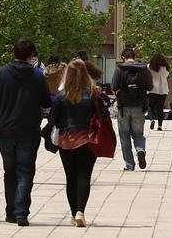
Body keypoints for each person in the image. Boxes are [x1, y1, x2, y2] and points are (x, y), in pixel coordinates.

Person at [0, 39, 51, 226]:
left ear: (14, 53)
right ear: (31, 56)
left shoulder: (0, 74)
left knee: (9, 170)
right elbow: (46, 102)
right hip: (29, 130)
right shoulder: (37, 76)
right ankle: (22, 212)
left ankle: (10, 211)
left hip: (5, 130)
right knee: (26, 171)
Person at [49, 59, 108, 227]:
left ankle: (74, 213)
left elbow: (53, 119)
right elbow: (103, 115)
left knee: (71, 178)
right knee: (84, 176)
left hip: (66, 141)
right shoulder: (93, 94)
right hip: (87, 140)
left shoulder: (61, 96)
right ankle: (81, 211)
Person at [111, 48, 153, 171]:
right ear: (134, 57)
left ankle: (129, 164)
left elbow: (113, 86)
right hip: (139, 107)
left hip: (123, 107)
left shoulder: (119, 69)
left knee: (124, 136)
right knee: (138, 134)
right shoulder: (143, 69)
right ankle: (140, 150)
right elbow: (150, 86)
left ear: (123, 57)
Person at [147, 53, 170, 131]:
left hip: (153, 89)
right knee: (160, 108)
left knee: (150, 106)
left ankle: (152, 119)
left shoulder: (149, 67)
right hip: (163, 90)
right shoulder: (166, 68)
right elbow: (166, 75)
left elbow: (148, 76)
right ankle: (160, 126)